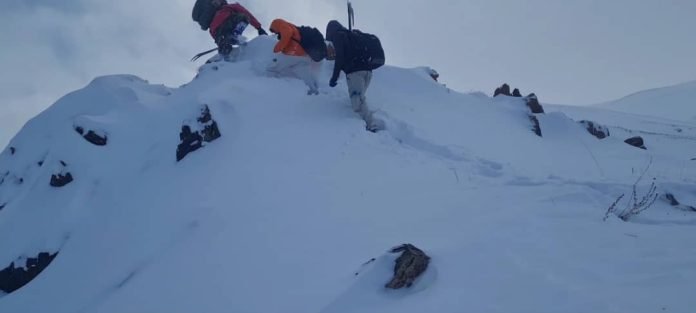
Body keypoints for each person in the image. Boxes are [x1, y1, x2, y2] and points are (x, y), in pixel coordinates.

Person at [325, 20, 385, 131]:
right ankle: (368, 122)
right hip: (367, 72)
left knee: (358, 102)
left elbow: (340, 58)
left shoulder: (338, 35)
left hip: (355, 73)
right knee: (360, 99)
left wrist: (334, 77)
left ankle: (371, 125)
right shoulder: (353, 36)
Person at [192, 0, 267, 58]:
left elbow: (213, 33)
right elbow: (246, 13)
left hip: (218, 34)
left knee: (225, 45)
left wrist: (220, 42)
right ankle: (233, 35)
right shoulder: (229, 7)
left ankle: (224, 48)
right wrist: (259, 27)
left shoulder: (210, 23)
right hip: (228, 25)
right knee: (245, 17)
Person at [268, 19, 322, 95]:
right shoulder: (293, 27)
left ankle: (266, 84)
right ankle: (313, 90)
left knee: (272, 68)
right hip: (304, 55)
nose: (274, 32)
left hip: (294, 53)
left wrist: (277, 48)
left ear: (275, 25)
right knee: (303, 73)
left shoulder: (283, 25)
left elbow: (288, 33)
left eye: (273, 30)